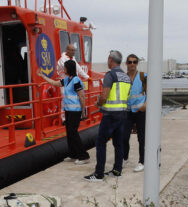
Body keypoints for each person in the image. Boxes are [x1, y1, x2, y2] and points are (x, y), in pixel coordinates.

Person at [84, 50, 131, 182]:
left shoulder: (110, 75)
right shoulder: (126, 77)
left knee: (100, 142)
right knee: (118, 143)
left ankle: (99, 173)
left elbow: (104, 96)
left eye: (108, 58)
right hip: (122, 114)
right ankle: (117, 169)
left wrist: (98, 103)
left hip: (110, 114)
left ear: (111, 59)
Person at [37, 60, 89, 164]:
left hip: (75, 111)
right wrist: (42, 76)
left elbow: (82, 96)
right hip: (68, 110)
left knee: (73, 132)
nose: (63, 69)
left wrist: (84, 111)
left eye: (64, 67)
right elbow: (54, 83)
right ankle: (73, 155)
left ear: (69, 68)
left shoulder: (76, 80)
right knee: (69, 133)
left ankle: (84, 156)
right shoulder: (67, 80)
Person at [124, 54, 146, 172]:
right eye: (130, 62)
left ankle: (142, 161)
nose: (132, 64)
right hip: (128, 111)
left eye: (134, 62)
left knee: (141, 137)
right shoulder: (124, 78)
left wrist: (145, 105)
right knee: (124, 136)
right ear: (126, 64)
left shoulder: (143, 76)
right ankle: (125, 157)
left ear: (137, 63)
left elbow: (152, 91)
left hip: (140, 111)